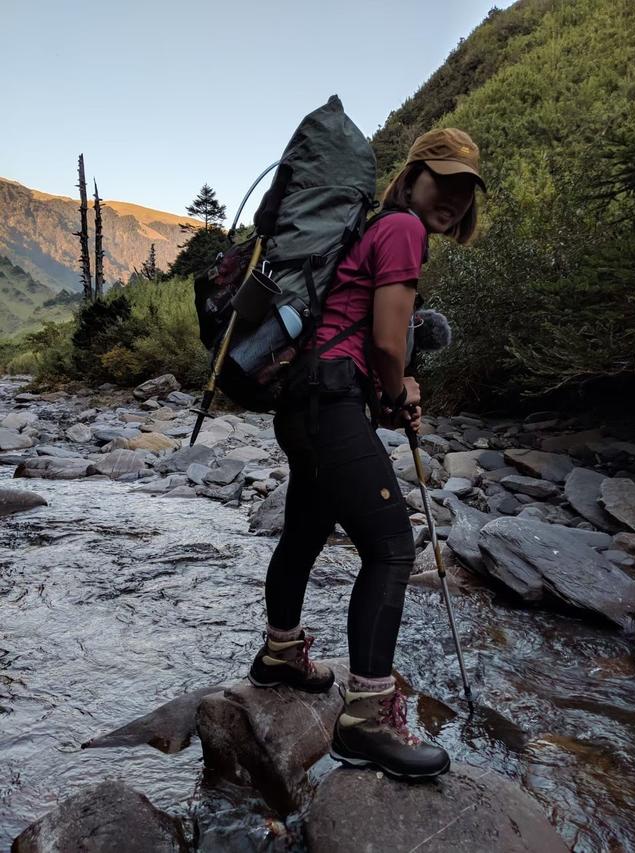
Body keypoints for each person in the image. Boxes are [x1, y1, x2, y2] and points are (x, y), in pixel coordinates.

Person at [249, 128, 485, 781]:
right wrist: (400, 387)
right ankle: (368, 719)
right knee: (390, 547)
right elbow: (385, 344)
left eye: (468, 189)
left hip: (303, 404)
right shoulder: (404, 228)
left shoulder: (374, 229)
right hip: (329, 405)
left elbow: (357, 340)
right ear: (413, 175)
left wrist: (381, 396)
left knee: (302, 533)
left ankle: (280, 653)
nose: (456, 199)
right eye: (445, 179)